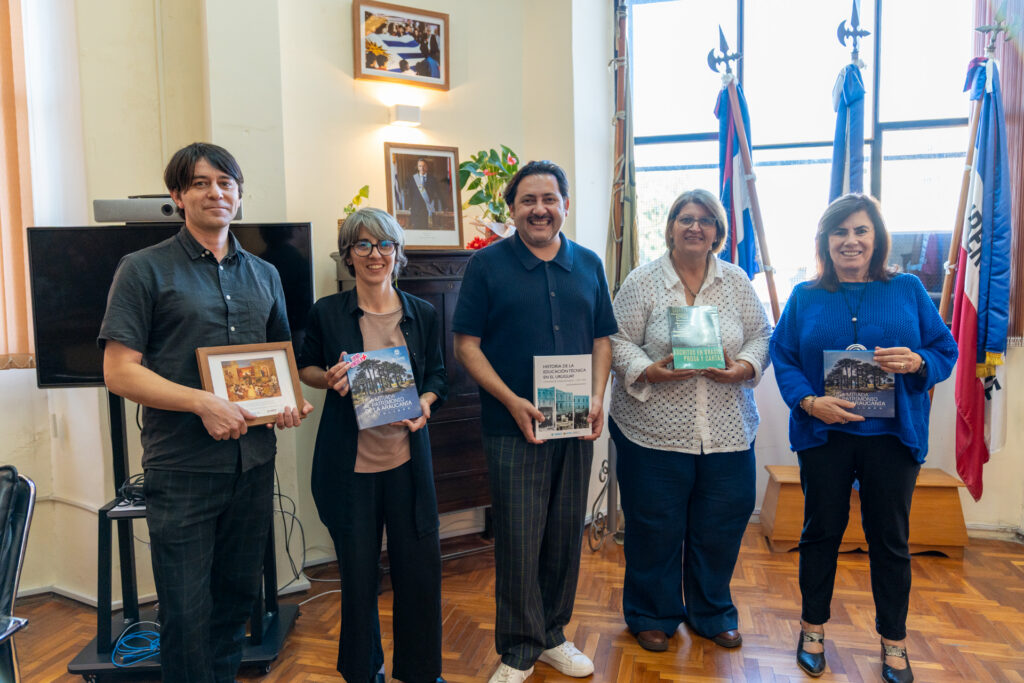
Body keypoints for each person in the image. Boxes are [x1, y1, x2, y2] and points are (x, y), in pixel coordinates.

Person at [99, 142, 313, 682]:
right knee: (186, 614)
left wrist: (287, 404)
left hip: (252, 464)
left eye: (225, 182)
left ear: (239, 194)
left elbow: (278, 363)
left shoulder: (264, 274)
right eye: (199, 183)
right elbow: (119, 371)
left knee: (234, 605)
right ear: (178, 196)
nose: (215, 192)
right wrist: (202, 401)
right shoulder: (143, 269)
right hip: (184, 469)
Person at [769, 193, 957, 683]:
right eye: (840, 232)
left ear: (876, 238)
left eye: (860, 231)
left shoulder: (909, 289)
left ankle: (894, 642)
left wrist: (919, 362)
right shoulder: (805, 296)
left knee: (890, 540)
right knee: (820, 534)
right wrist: (809, 402)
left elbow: (945, 348)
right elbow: (783, 355)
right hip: (824, 436)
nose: (850, 241)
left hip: (892, 438)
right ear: (825, 241)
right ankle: (813, 631)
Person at [452, 160, 617, 683]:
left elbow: (602, 339)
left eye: (549, 199)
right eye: (528, 200)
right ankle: (519, 648)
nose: (539, 209)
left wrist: (596, 396)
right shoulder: (486, 267)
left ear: (565, 205)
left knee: (566, 532)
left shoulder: (589, 264)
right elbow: (466, 347)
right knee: (520, 537)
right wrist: (511, 400)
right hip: (512, 427)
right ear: (513, 209)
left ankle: (553, 635)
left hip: (573, 422)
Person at [608, 188, 772, 653]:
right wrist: (647, 370)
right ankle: (652, 613)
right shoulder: (642, 281)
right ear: (671, 226)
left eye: (704, 219)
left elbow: (762, 336)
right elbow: (617, 340)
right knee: (653, 527)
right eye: (685, 217)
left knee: (720, 525)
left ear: (718, 230)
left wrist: (743, 367)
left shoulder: (737, 281)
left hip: (728, 431)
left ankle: (712, 611)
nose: (694, 226)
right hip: (652, 431)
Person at [297, 207, 448, 683]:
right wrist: (330, 378)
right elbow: (305, 367)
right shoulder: (327, 312)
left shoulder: (421, 313)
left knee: (418, 573)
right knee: (359, 576)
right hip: (350, 468)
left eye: (384, 245)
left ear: (397, 253)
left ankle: (421, 671)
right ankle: (363, 671)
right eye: (362, 245)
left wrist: (425, 401)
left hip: (407, 463)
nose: (374, 254)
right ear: (348, 256)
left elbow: (441, 376)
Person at [402, 158, 444, 230]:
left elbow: (438, 193)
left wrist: (444, 205)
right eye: (420, 166)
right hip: (416, 210)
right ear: (417, 167)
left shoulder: (433, 179)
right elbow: (410, 194)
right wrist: (409, 206)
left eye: (424, 166)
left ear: (427, 167)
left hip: (427, 210)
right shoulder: (412, 179)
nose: (422, 168)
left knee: (427, 232)